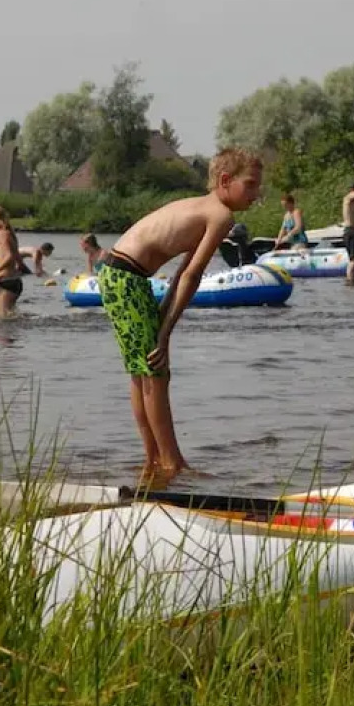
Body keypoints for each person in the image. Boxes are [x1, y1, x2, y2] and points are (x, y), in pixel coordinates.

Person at [99, 147, 262, 485]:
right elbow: (192, 275)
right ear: (225, 180)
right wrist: (165, 332)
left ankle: (153, 461)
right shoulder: (220, 215)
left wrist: (162, 317)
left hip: (117, 273)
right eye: (250, 185)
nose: (255, 194)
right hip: (127, 276)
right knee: (154, 372)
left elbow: (182, 272)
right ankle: (172, 463)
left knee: (141, 372)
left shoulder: (202, 208)